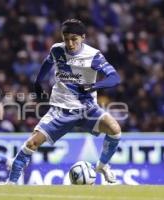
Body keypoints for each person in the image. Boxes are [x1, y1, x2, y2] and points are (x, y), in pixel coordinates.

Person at [7, 19, 121, 184]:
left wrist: (94, 86)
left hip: (87, 109)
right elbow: (45, 67)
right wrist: (38, 84)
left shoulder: (93, 55)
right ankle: (10, 184)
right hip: (61, 110)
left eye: (74, 39)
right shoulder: (57, 50)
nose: (70, 43)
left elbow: (114, 78)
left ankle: (102, 165)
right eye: (66, 38)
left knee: (115, 129)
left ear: (83, 37)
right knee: (32, 143)